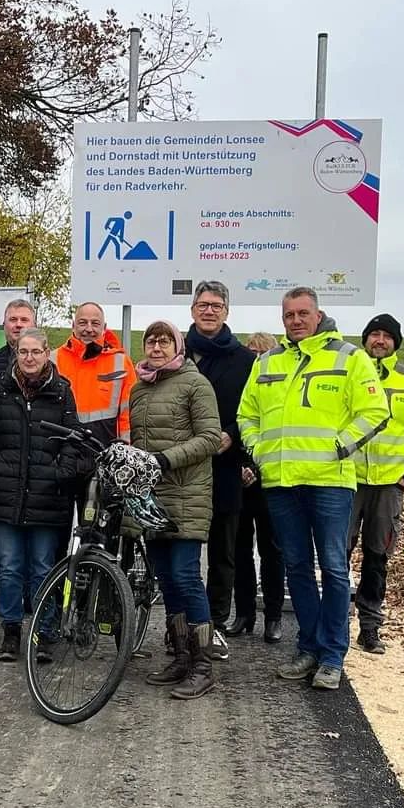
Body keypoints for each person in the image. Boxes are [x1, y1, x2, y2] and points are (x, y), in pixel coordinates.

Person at [238, 287, 389, 690]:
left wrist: (339, 447)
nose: (296, 320)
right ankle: (308, 647)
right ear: (282, 319)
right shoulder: (268, 361)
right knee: (297, 567)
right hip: (282, 482)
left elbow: (376, 411)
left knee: (335, 569)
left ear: (318, 315)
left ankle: (332, 654)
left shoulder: (349, 357)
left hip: (330, 482)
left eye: (304, 313)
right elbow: (246, 413)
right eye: (289, 315)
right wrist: (258, 450)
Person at [129, 321, 221, 699]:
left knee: (185, 576)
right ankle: (182, 657)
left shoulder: (195, 384)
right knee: (166, 580)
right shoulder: (139, 388)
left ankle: (203, 665)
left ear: (177, 346)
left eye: (164, 341)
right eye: (151, 341)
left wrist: (165, 460)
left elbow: (210, 438)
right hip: (152, 498)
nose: (156, 347)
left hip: (186, 493)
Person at [0, 329, 80, 661]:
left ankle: (45, 632)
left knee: (42, 567)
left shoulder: (62, 392)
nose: (30, 358)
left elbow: (71, 440)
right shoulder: (0, 389)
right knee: (8, 566)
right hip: (6, 493)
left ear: (46, 353)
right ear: (16, 354)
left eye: (36, 351)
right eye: (24, 352)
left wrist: (60, 473)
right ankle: (11, 631)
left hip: (47, 496)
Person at [350, 313, 404, 653]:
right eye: (374, 335)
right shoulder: (351, 372)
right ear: (365, 339)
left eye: (386, 336)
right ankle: (335, 624)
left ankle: (370, 627)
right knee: (336, 556)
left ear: (395, 342)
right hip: (349, 482)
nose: (379, 340)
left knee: (376, 557)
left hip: (388, 487)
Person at [184, 282, 256, 660]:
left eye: (216, 305)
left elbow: (253, 411)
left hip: (225, 467)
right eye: (202, 304)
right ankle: (183, 626)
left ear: (227, 312)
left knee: (223, 552)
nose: (209, 311)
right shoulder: (176, 351)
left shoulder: (245, 360)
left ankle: (213, 625)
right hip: (182, 470)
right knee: (183, 552)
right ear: (192, 309)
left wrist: (233, 437)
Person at [0, 298, 37, 618]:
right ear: (4, 325)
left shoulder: (48, 366)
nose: (18, 324)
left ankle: (32, 592)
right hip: (0, 466)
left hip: (37, 465)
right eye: (12, 319)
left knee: (35, 531)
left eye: (24, 319)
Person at [226, 331, 284, 644]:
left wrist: (258, 469)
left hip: (271, 480)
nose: (255, 359)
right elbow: (237, 427)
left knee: (272, 550)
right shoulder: (240, 387)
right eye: (252, 352)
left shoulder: (277, 390)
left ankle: (273, 617)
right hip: (240, 476)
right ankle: (243, 613)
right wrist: (241, 467)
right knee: (240, 550)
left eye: (262, 353)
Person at [54, 301, 137, 449]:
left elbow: (128, 414)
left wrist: (125, 449)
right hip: (62, 451)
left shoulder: (121, 362)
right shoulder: (53, 360)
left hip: (105, 452)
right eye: (83, 322)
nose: (89, 329)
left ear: (104, 328)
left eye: (95, 323)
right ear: (73, 325)